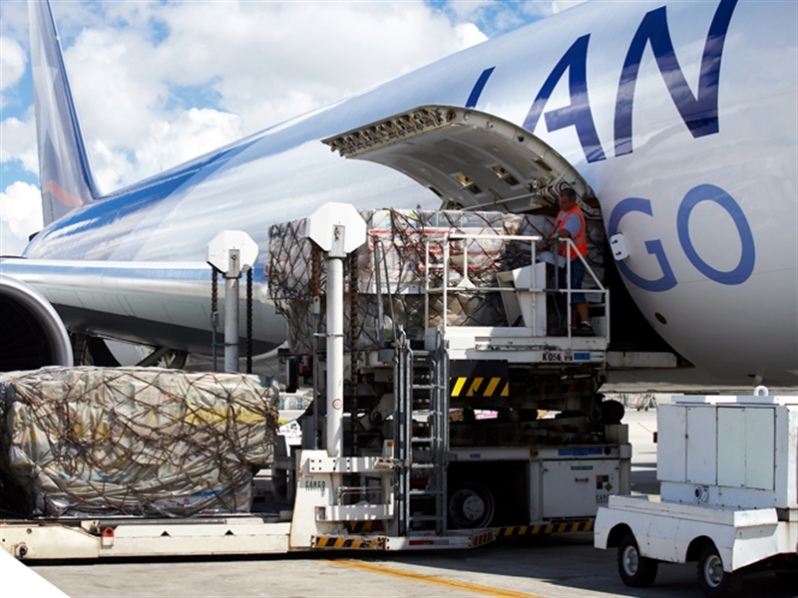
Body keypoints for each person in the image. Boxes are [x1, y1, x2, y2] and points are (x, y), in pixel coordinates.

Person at [537, 188, 594, 336]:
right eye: (559, 202)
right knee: (566, 291)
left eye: (564, 202)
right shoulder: (563, 213)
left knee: (574, 288)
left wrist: (549, 243)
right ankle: (572, 325)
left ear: (572, 201)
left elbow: (565, 233)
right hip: (564, 258)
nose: (561, 205)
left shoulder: (575, 215)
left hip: (575, 257)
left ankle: (585, 323)